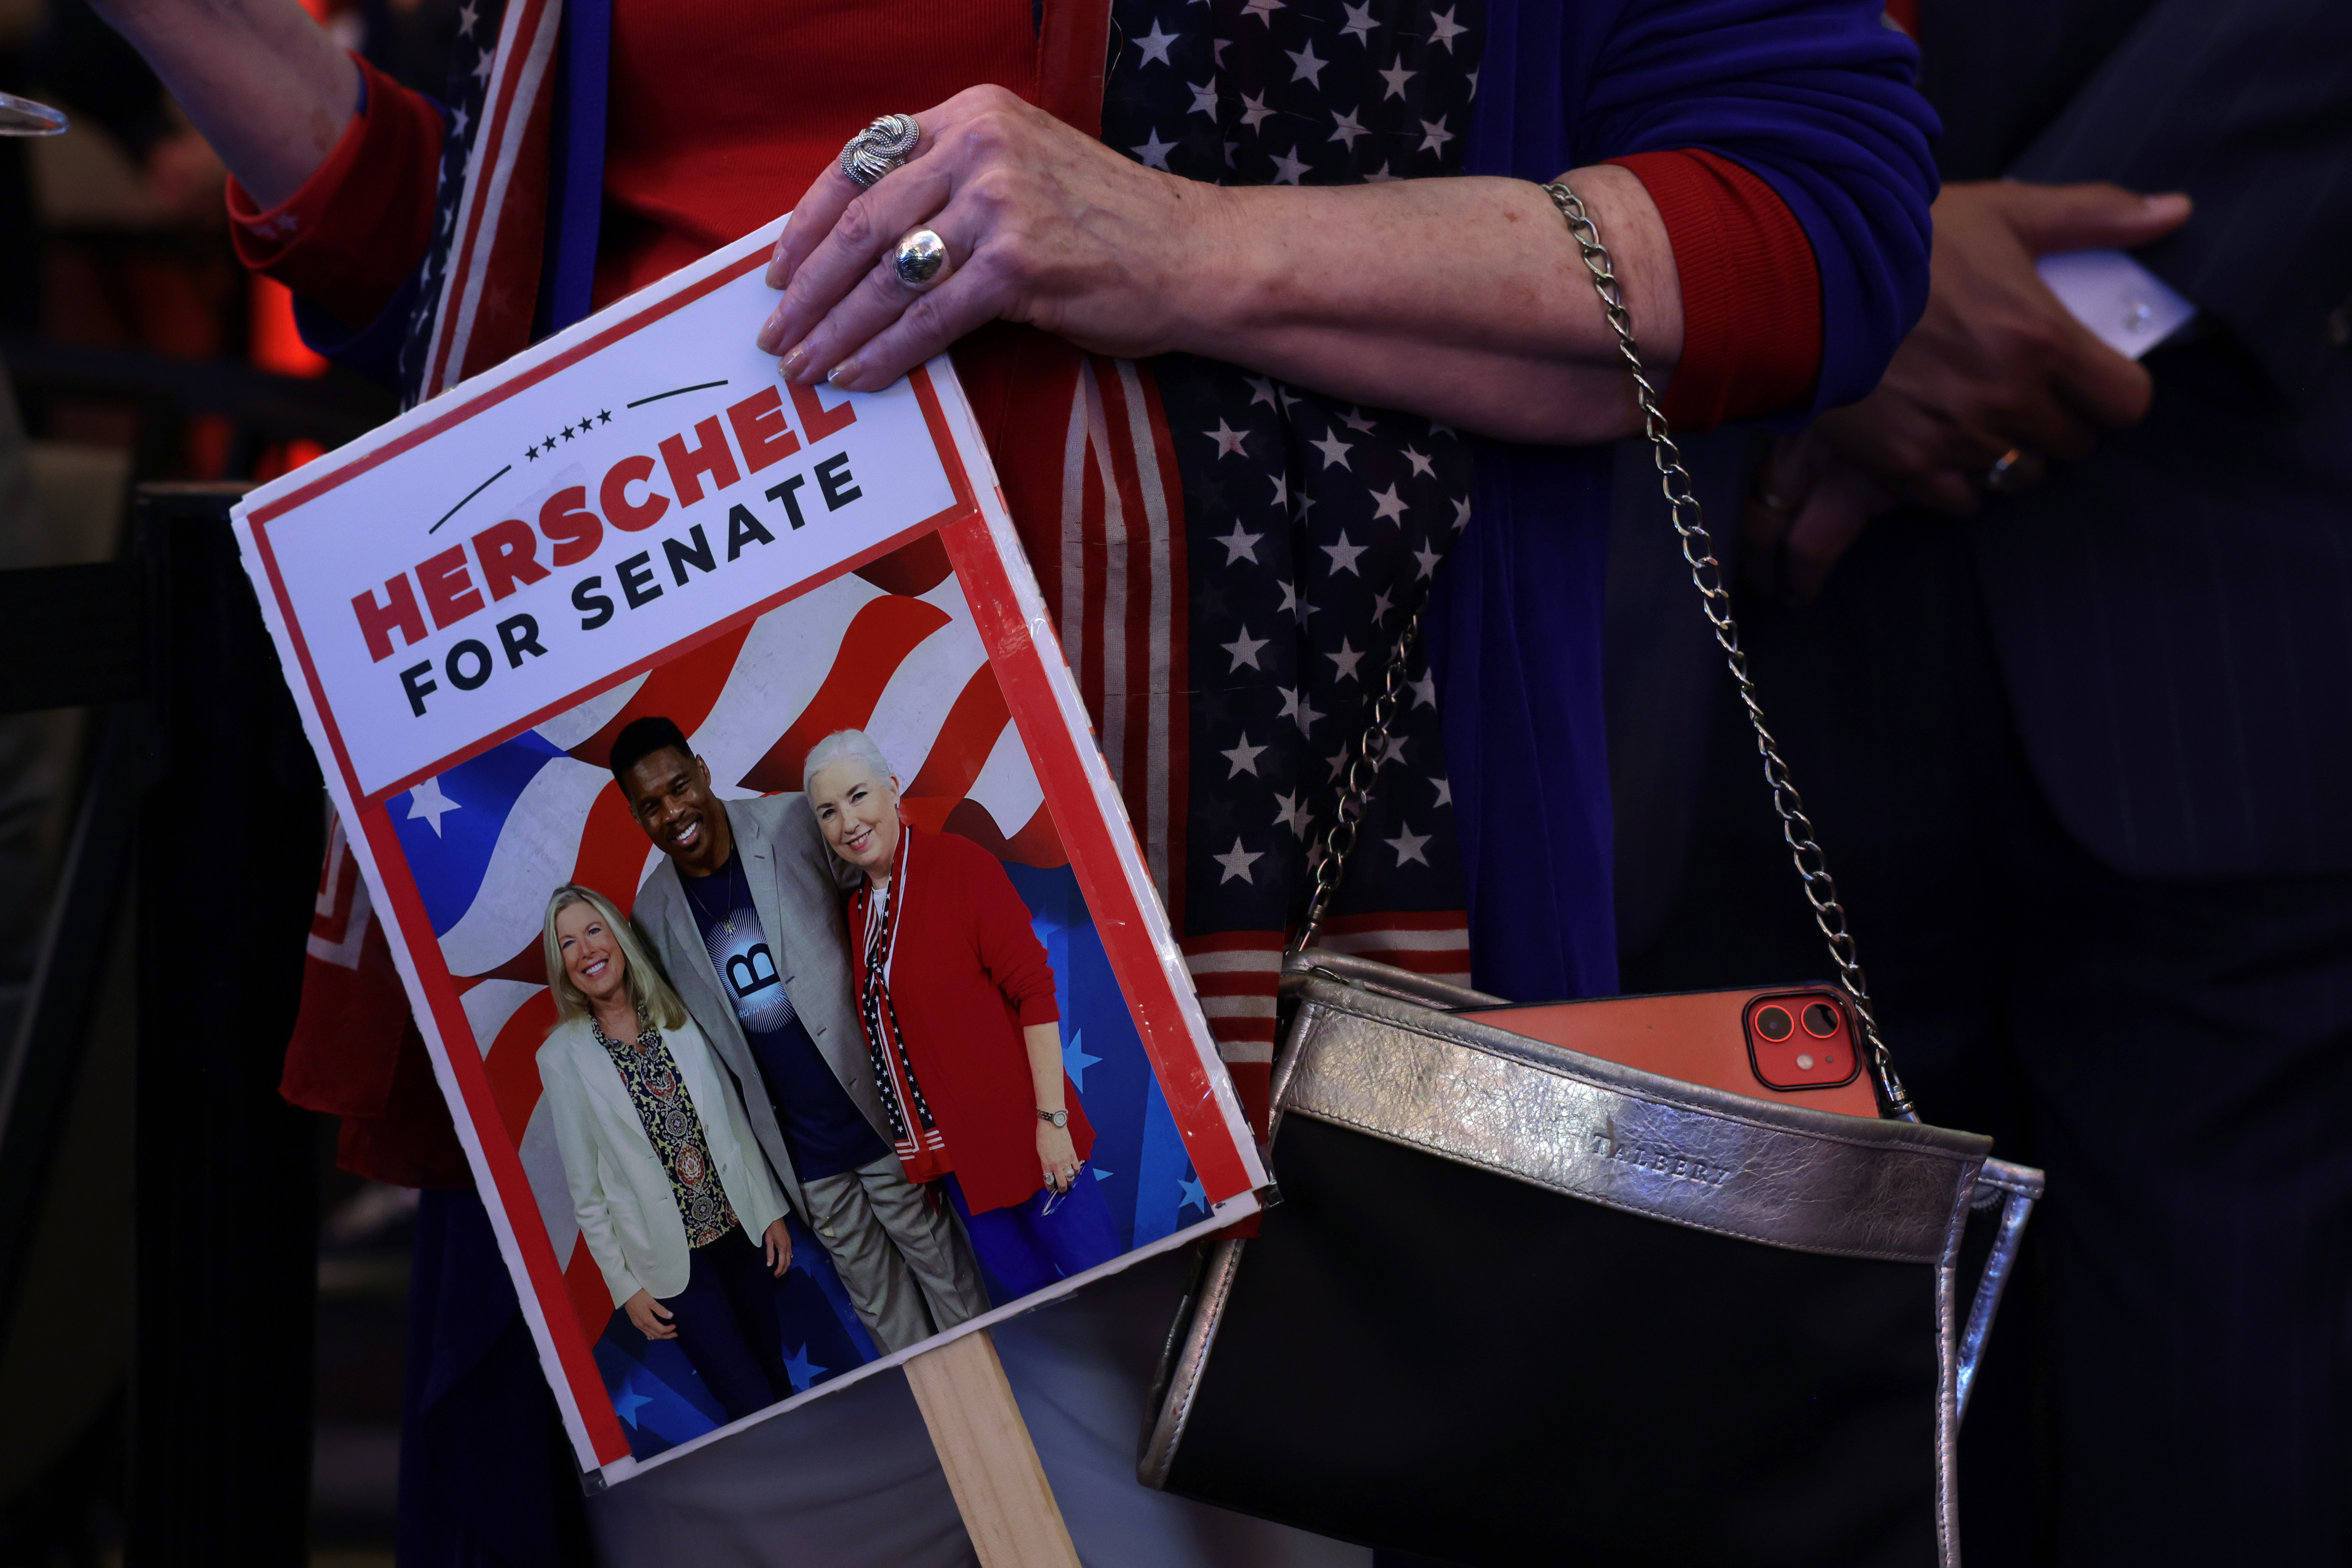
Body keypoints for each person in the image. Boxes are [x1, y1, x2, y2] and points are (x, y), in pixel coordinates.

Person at [87, 0, 1941, 1559]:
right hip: (699, 928)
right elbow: (496, 283)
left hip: (1258, 927)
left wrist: (1184, 243)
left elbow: (1815, 225)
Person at [1610, 1, 2352, 1563]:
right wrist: (1796, 266)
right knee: (1741, 1468)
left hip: (2220, 571)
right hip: (1686, 571)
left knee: (2235, 1456)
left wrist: (2040, 293)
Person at [613, 714, 994, 1352]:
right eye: (651, 806)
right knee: (888, 1322)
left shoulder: (794, 823)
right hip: (807, 1163)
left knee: (955, 1292)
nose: (673, 811)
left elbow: (887, 911)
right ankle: (960, 1446)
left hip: (881, 1120)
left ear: (702, 772)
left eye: (680, 786)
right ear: (637, 817)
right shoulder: (651, 915)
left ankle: (1013, 1441)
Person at [807, 729, 1123, 1299]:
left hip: (1029, 1146)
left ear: (892, 789)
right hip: (960, 1166)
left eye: (857, 796)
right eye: (828, 811)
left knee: (1112, 1296)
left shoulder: (959, 866)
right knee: (1043, 1317)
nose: (847, 821)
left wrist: (1052, 1126)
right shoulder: (858, 911)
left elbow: (1035, 992)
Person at [535, 884, 798, 1423]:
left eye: (593, 931)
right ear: (561, 965)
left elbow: (731, 1117)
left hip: (739, 1229)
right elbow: (587, 1193)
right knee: (748, 1400)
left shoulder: (676, 1011)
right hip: (673, 1263)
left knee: (776, 1376)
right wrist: (624, 1286)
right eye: (568, 944)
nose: (586, 950)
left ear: (618, 937)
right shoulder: (562, 1057)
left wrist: (769, 1206)